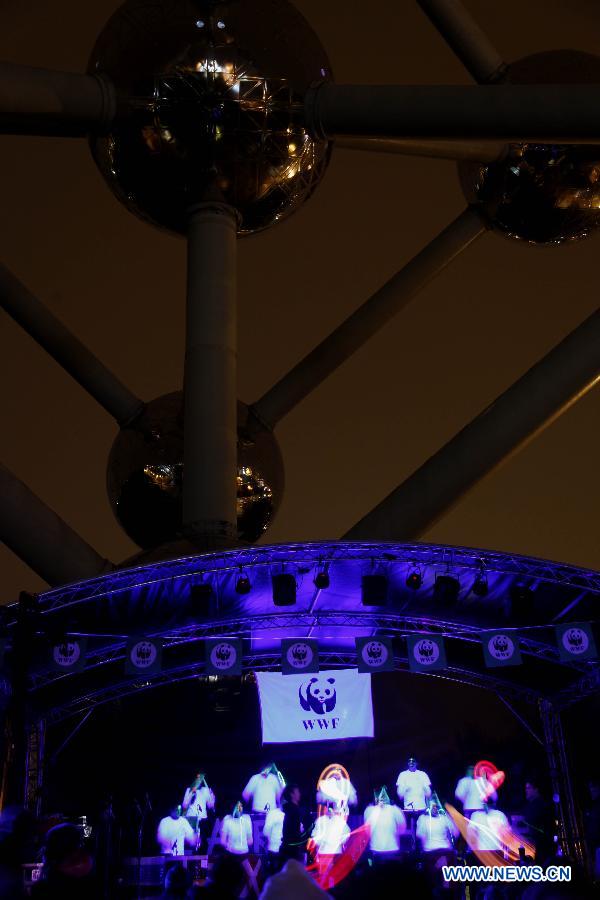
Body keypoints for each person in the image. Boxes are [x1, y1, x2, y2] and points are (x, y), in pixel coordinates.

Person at [364, 787, 406, 860]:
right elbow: (367, 830)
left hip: (391, 850)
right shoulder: (369, 810)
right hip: (377, 850)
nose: (381, 797)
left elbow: (402, 828)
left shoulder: (394, 809)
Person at [396, 757, 432, 842]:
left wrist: (426, 790)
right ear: (407, 764)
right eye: (409, 762)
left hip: (421, 807)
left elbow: (428, 793)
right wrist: (404, 788)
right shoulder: (403, 775)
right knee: (411, 830)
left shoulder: (422, 774)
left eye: (413, 762)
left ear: (417, 763)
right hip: (409, 808)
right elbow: (400, 793)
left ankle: (421, 847)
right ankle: (412, 847)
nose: (411, 764)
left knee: (421, 829)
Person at [182, 773, 215, 851]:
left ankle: (201, 858)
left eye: (200, 779)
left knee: (202, 841)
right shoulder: (189, 789)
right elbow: (184, 805)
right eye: (197, 779)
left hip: (202, 819)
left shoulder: (206, 790)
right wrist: (191, 793)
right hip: (191, 819)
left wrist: (212, 798)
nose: (199, 781)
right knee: (192, 842)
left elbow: (211, 806)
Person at [280, 784, 312, 863]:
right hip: (292, 852)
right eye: (297, 792)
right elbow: (293, 833)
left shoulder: (291, 810)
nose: (299, 794)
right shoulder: (293, 811)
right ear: (292, 794)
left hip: (290, 849)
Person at [263, 806, 285, 875]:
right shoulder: (292, 812)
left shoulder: (272, 813)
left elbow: (266, 832)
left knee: (274, 875)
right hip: (281, 850)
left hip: (275, 850)